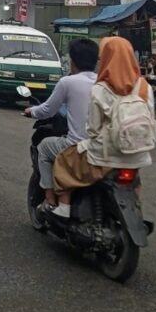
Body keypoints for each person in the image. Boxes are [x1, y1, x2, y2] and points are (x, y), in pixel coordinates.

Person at [50, 37, 156, 219]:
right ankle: (135, 209)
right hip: (138, 154)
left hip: (104, 156)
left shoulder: (101, 88)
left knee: (63, 160)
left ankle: (63, 207)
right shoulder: (144, 87)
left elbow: (92, 128)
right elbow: (150, 117)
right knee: (135, 182)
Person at [25, 38, 99, 211]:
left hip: (76, 147)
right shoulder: (105, 83)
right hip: (105, 148)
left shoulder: (68, 82)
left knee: (44, 147)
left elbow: (47, 110)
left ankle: (50, 200)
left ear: (72, 60)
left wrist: (31, 111)